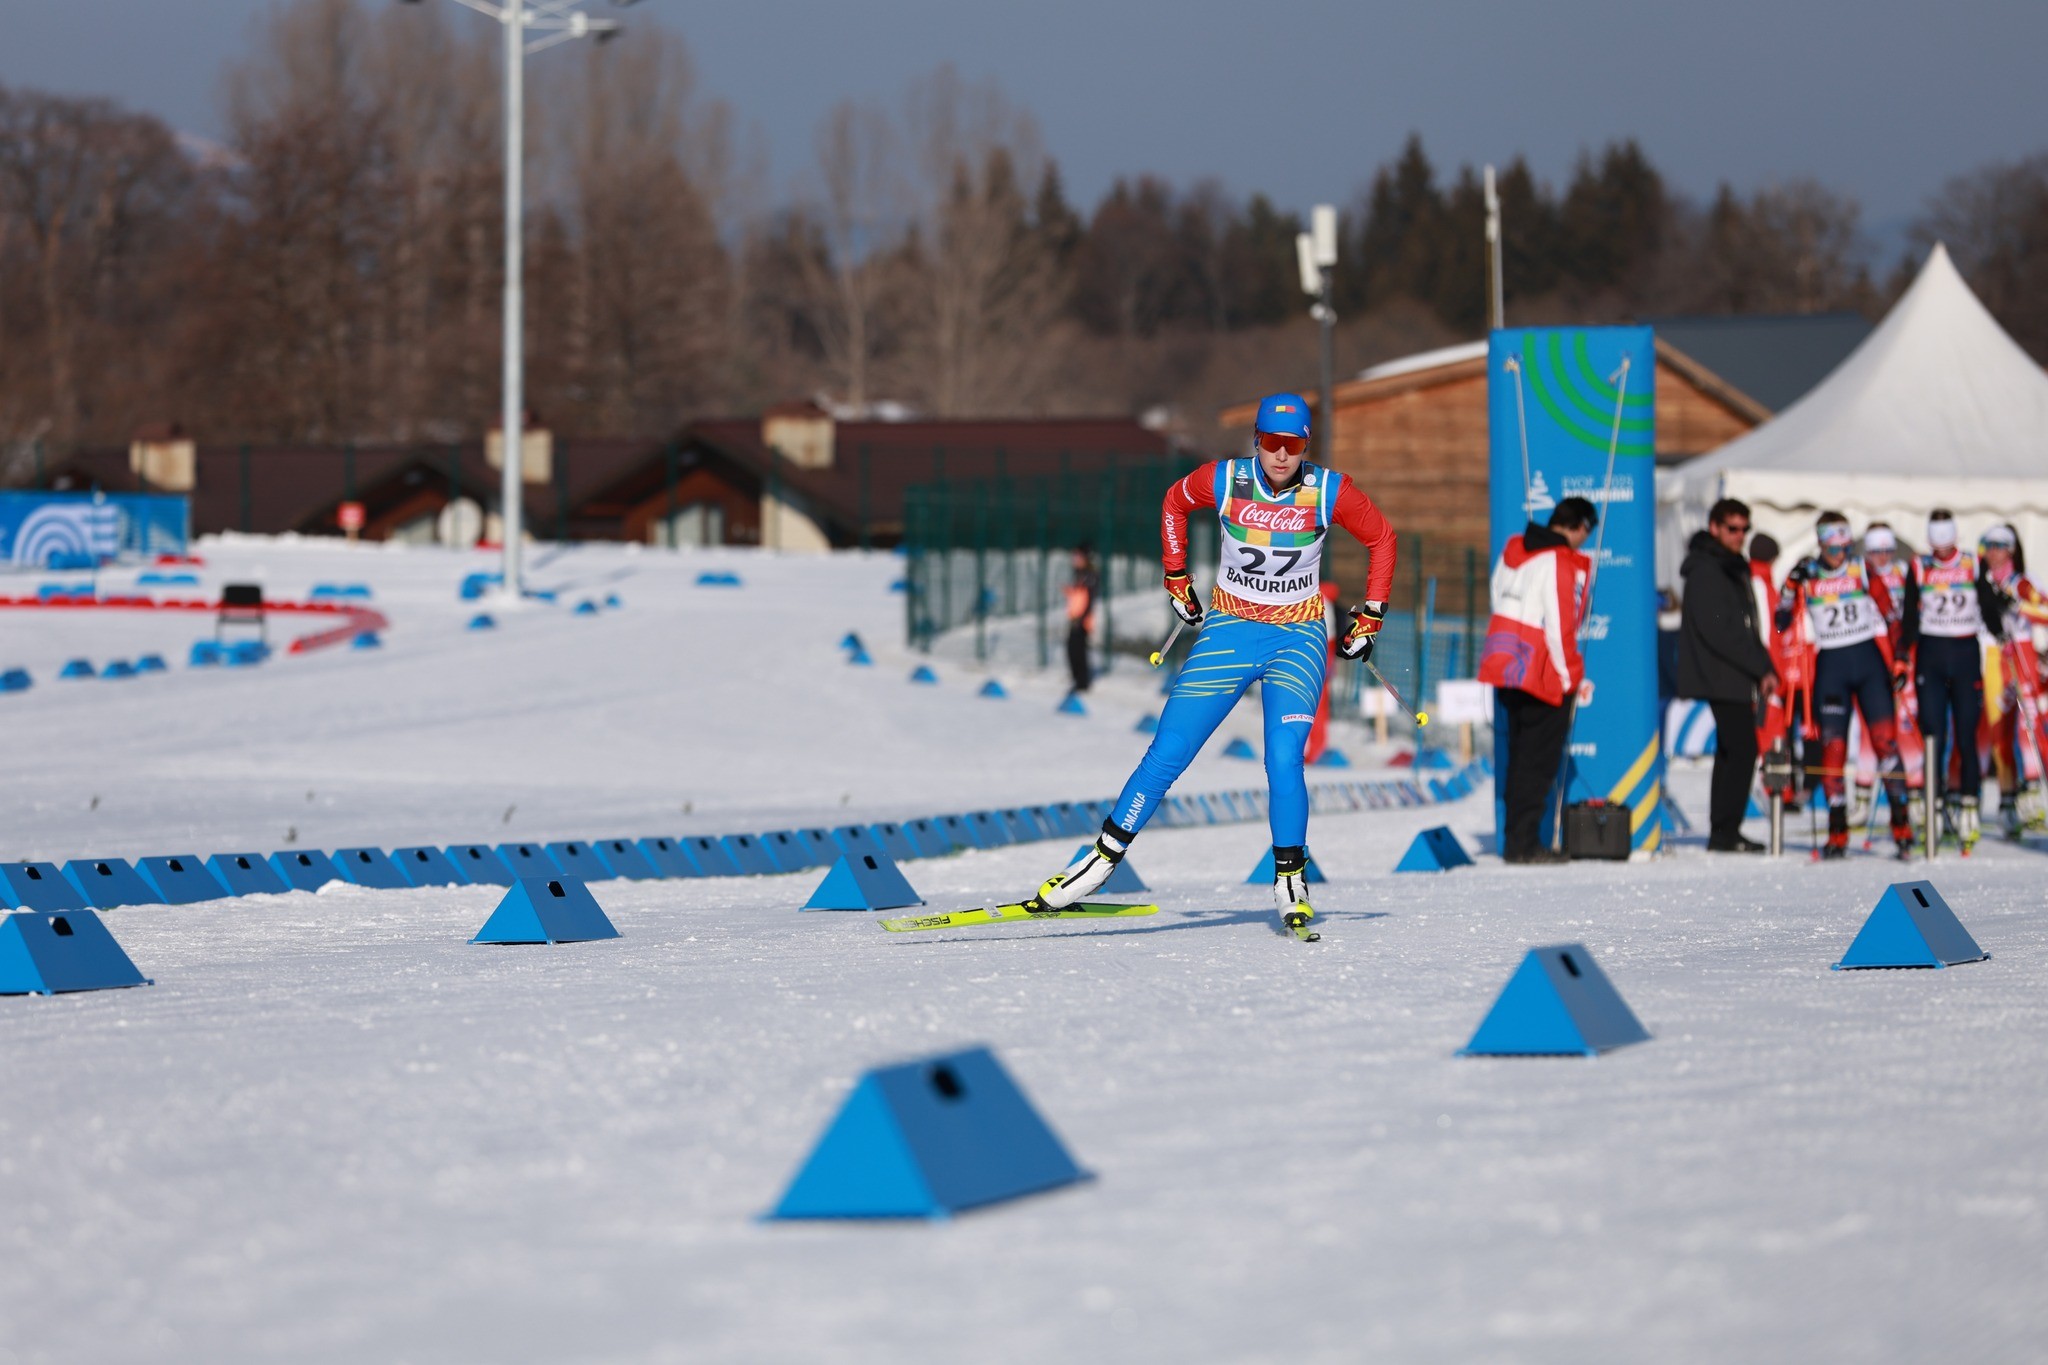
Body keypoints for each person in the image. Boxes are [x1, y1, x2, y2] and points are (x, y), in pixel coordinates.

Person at [1031, 393, 1397, 938]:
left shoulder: (1329, 489)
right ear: (1256, 438)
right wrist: (1176, 578)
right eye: (1270, 442)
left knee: (1283, 759)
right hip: (1229, 631)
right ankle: (1100, 862)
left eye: (1292, 444)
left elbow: (1382, 539)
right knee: (1168, 750)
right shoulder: (1225, 479)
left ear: (1305, 445)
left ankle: (1291, 876)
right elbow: (1174, 503)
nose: (1280, 454)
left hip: (1296, 636)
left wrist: (1370, 617)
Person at [1775, 510, 1910, 859]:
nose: (1840, 554)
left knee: (1885, 743)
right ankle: (1837, 831)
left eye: (1845, 546)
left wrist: (1900, 658)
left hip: (1868, 664)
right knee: (1833, 749)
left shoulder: (1862, 569)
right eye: (1834, 548)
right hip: (1831, 666)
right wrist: (1790, 584)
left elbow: (1892, 616)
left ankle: (1902, 825)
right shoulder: (1808, 573)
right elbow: (1780, 621)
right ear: (1821, 544)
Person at [1478, 496, 1597, 865]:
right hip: (1539, 670)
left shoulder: (1515, 547)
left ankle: (1516, 840)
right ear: (1579, 527)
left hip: (1504, 659)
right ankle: (1526, 845)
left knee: (1519, 757)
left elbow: (1497, 594)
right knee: (1538, 761)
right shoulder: (1559, 559)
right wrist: (1571, 677)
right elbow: (1560, 625)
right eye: (1586, 534)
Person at [1675, 499, 1778, 852]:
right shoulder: (1707, 568)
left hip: (1734, 671)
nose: (1739, 536)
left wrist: (1763, 663)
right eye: (1732, 529)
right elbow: (1721, 630)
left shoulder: (1731, 566)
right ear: (1715, 527)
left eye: (1744, 529)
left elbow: (1749, 626)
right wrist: (1758, 665)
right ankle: (1725, 830)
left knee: (1732, 749)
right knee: (1742, 747)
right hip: (1720, 672)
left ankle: (1724, 829)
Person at [1899, 509, 1999, 851]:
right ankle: (1935, 803)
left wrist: (2001, 631)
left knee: (1966, 734)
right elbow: (1910, 614)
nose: (1941, 553)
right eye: (1935, 546)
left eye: (1946, 546)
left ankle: (1969, 802)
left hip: (1965, 654)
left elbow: (1987, 604)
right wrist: (1901, 654)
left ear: (1955, 539)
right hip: (1931, 653)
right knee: (1933, 736)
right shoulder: (1919, 566)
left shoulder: (1972, 563)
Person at [1979, 523, 2048, 838]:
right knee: (1998, 733)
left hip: (2020, 655)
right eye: (1988, 544)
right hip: (1992, 657)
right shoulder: (1980, 580)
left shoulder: (2021, 581)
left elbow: (2044, 611)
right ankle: (2007, 804)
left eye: (1999, 545)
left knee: (2028, 728)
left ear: (2011, 549)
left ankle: (2034, 795)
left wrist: (2016, 604)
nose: (1993, 551)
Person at [1064, 546, 1098, 694]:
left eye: (1077, 556)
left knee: (1078, 650)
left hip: (1082, 620)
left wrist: (1081, 618)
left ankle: (1082, 682)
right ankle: (1078, 680)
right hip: (1075, 618)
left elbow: (1089, 600)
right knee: (1072, 649)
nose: (1074, 560)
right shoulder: (1079, 574)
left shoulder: (1090, 575)